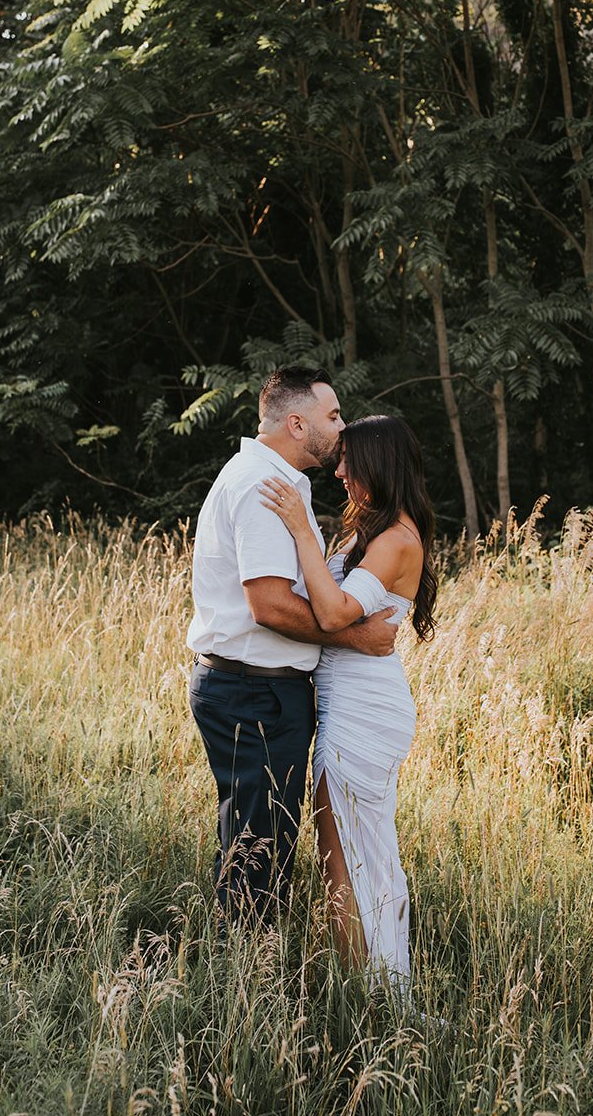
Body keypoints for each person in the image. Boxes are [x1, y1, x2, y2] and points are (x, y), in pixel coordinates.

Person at [188, 366, 399, 925]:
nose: (342, 425)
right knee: (258, 846)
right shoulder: (264, 487)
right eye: (333, 416)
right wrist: (359, 636)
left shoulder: (276, 480)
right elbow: (270, 606)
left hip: (259, 690)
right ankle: (244, 988)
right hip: (252, 690)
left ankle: (250, 974)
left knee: (266, 835)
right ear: (299, 424)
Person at [259, 413, 437, 986]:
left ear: (376, 465)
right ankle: (383, 985)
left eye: (348, 463)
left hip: (364, 707)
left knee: (344, 860)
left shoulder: (396, 539)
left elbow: (334, 612)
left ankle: (369, 996)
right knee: (357, 854)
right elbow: (329, 605)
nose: (338, 471)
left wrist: (300, 529)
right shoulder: (371, 532)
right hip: (345, 701)